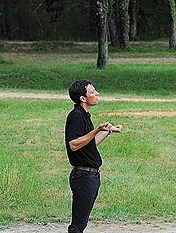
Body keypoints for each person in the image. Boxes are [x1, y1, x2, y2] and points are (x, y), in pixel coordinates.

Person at [65, 79, 122, 233]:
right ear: (83, 98)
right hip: (83, 176)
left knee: (81, 224)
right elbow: (74, 144)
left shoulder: (84, 115)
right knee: (77, 226)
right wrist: (96, 130)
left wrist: (108, 131)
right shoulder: (76, 116)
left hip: (90, 176)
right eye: (92, 92)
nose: (97, 94)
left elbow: (90, 144)